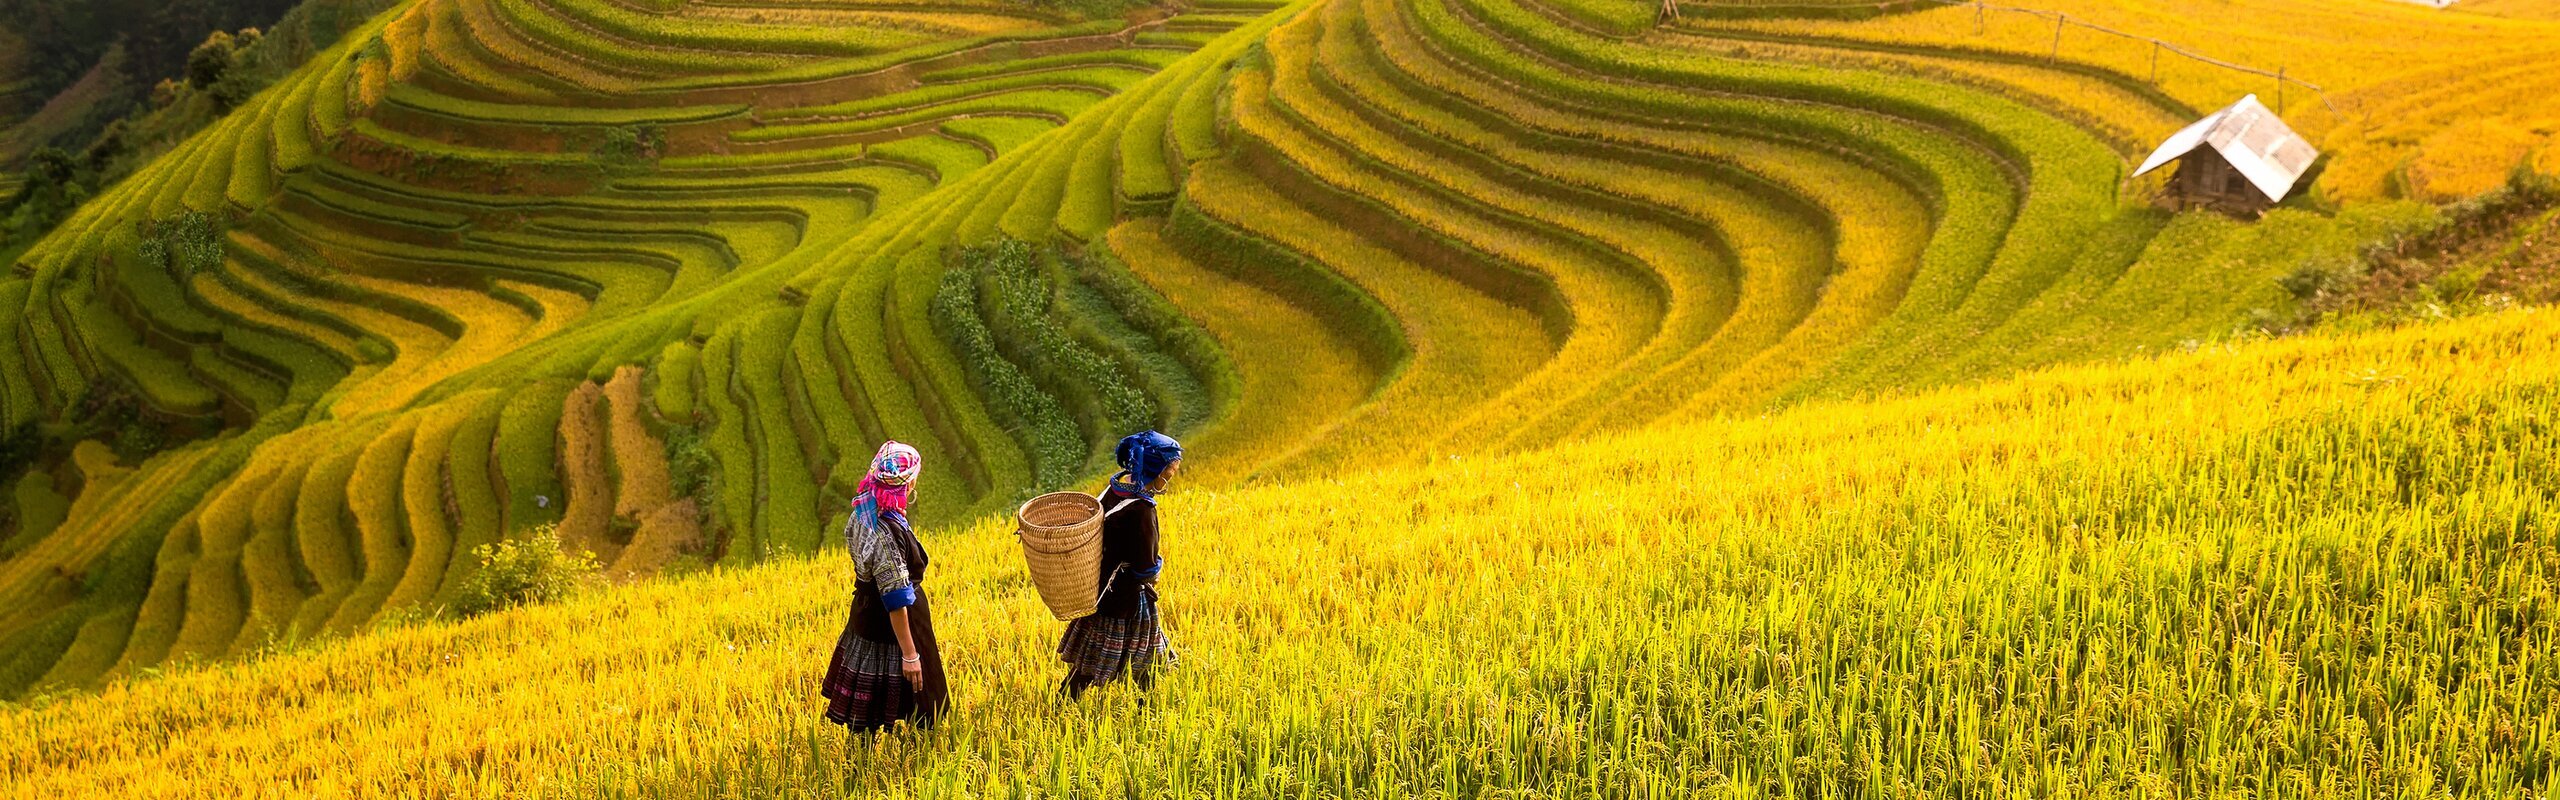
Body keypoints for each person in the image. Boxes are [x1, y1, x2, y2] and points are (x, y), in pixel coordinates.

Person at [820, 441, 947, 733]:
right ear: (908, 483)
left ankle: (864, 757)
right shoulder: (884, 532)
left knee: (867, 705)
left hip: (864, 614)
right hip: (891, 621)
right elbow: (895, 598)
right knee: (927, 702)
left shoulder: (861, 512)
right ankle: (918, 759)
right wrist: (910, 654)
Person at [1059, 430, 1183, 699]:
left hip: (1100, 587)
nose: (1169, 479)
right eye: (1168, 473)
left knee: (1093, 656)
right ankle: (1146, 706)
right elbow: (1146, 565)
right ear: (1154, 470)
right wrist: (1154, 574)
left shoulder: (1113, 489)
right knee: (1143, 656)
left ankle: (1066, 699)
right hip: (1127, 597)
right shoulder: (1142, 511)